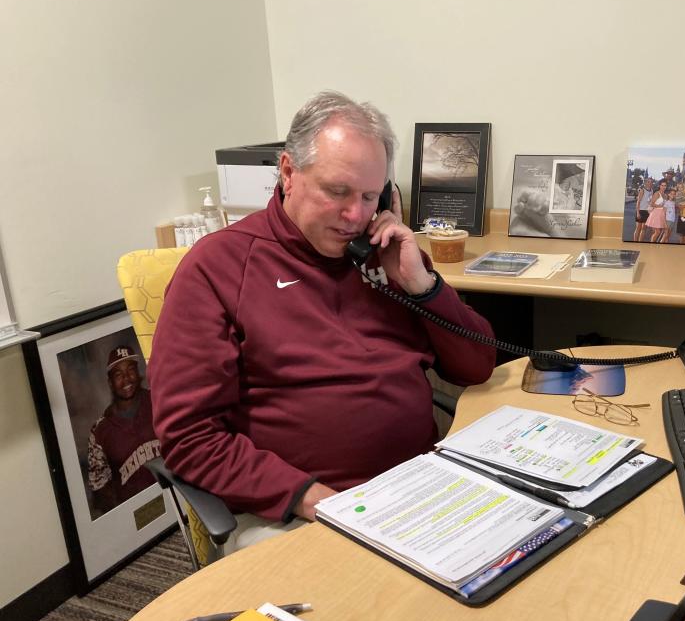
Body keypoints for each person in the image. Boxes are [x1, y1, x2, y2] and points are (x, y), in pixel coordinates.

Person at [150, 91, 496, 551]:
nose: (355, 216)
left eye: (370, 196)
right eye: (338, 192)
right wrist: (309, 499)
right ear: (288, 172)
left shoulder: (387, 256)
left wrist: (421, 287)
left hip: (417, 492)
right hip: (297, 511)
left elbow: (477, 366)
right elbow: (189, 438)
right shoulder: (217, 267)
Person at [87, 346, 161, 514]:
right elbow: (99, 488)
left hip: (177, 495)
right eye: (118, 375)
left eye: (130, 370)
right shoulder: (99, 431)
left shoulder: (159, 399)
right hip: (139, 515)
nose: (126, 379)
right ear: (110, 382)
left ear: (138, 372)